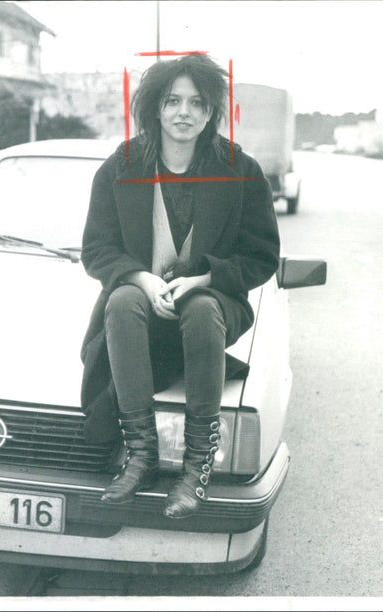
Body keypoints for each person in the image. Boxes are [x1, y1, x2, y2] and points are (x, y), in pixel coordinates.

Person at [79, 54, 281, 519]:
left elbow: (262, 257)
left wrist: (203, 278)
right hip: (141, 311)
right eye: (172, 101)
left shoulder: (240, 169)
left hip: (215, 307)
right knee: (123, 297)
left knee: (201, 308)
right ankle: (142, 456)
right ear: (155, 108)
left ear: (211, 112)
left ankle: (196, 468)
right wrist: (144, 277)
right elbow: (97, 249)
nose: (183, 112)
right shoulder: (123, 165)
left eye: (197, 102)